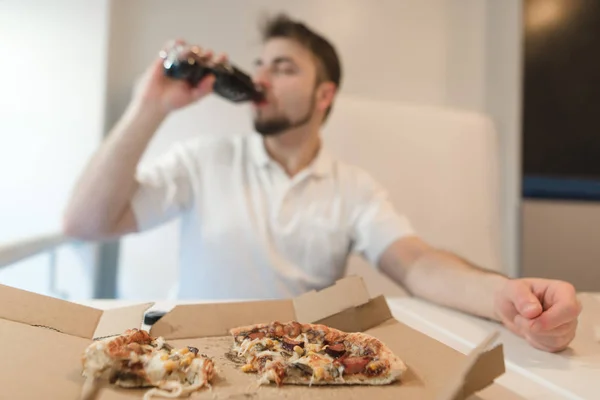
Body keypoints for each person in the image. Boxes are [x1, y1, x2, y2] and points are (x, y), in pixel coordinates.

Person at [63, 14, 581, 353]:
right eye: (259, 65)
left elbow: (418, 264)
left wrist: (505, 296)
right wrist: (151, 104)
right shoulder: (204, 160)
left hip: (289, 365)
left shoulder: (352, 188)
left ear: (324, 94)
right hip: (189, 353)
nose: (261, 78)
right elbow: (85, 223)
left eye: (283, 68)